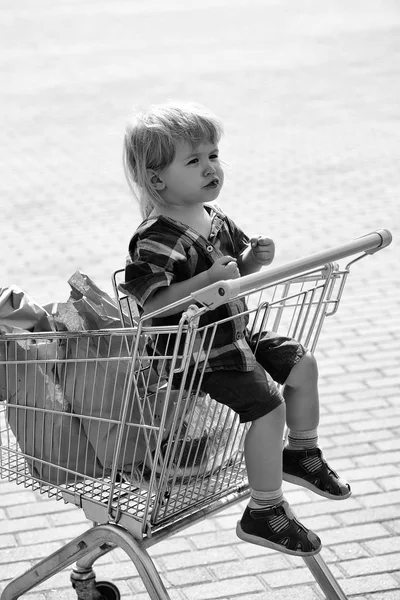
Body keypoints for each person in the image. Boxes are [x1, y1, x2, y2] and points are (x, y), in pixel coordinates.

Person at [121, 102, 351, 557]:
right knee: (266, 407)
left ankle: (300, 453)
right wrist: (207, 279)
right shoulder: (155, 236)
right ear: (156, 179)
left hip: (233, 336)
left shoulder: (216, 216)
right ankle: (264, 510)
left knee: (301, 364)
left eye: (213, 155)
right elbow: (151, 304)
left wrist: (252, 262)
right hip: (193, 352)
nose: (211, 168)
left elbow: (234, 275)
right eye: (194, 160)